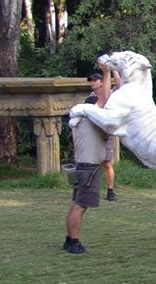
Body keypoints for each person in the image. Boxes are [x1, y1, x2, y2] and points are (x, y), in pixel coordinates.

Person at [63, 60, 114, 254]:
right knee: (81, 205)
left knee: (76, 203)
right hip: (88, 168)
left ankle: (69, 240)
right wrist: (106, 73)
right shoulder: (90, 117)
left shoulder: (84, 122)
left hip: (83, 166)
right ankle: (74, 242)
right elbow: (105, 99)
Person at [87, 69, 121, 201]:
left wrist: (113, 69)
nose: (92, 83)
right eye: (91, 81)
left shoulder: (110, 94)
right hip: (93, 135)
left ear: (102, 82)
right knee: (91, 163)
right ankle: (90, 190)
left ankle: (110, 191)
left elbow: (119, 85)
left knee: (107, 164)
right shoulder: (90, 97)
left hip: (106, 134)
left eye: (95, 80)